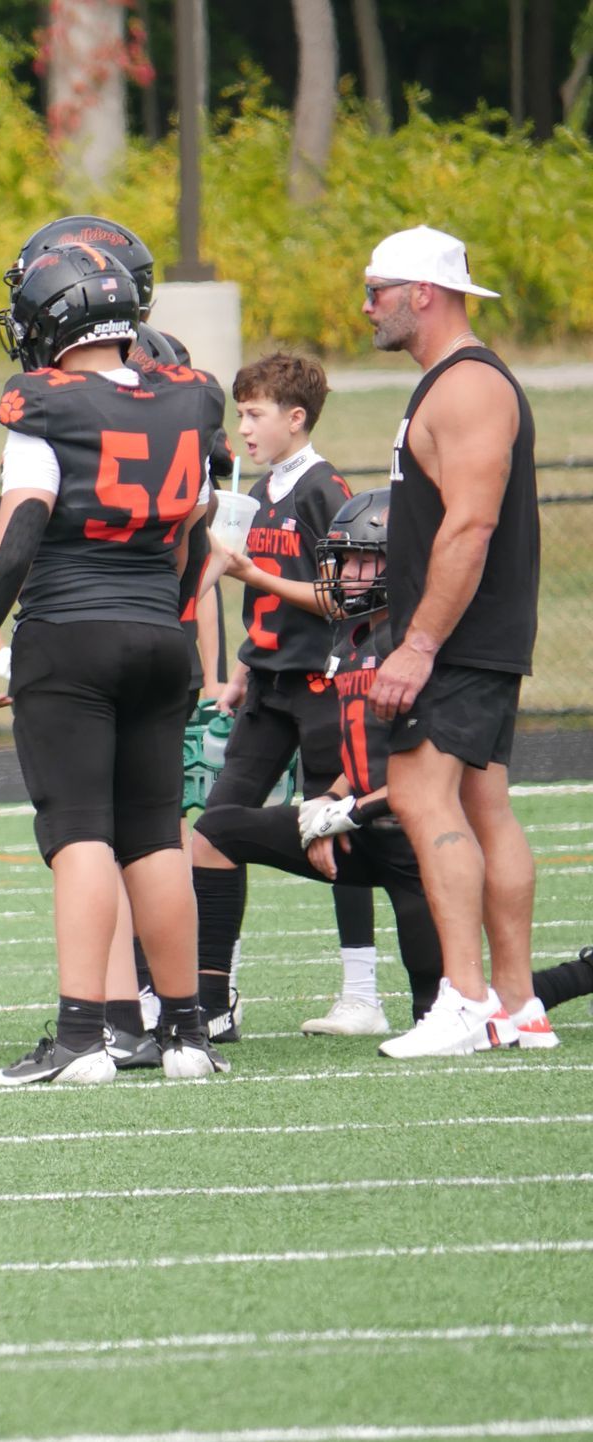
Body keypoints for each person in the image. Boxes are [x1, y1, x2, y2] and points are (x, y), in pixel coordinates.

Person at [0, 243, 228, 1085]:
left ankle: (83, 1038)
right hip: (160, 635)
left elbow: (20, 535)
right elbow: (196, 531)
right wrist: (173, 619)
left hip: (70, 633)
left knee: (79, 832)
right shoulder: (193, 396)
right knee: (155, 836)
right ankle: (185, 1034)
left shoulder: (43, 400)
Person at [360, 226, 546, 1057]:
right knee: (481, 803)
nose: (367, 306)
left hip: (460, 637)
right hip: (478, 633)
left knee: (419, 795)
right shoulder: (451, 382)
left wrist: (420, 644)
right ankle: (517, 1005)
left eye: (377, 291)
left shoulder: (467, 386)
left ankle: (464, 999)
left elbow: (471, 525)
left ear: (421, 294)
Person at [194, 490, 444, 1029]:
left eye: (364, 560)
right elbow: (361, 754)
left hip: (418, 843)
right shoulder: (351, 637)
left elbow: (432, 767)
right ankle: (208, 1008)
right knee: (216, 831)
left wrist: (351, 810)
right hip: (359, 824)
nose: (349, 574)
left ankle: (555, 981)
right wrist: (328, 801)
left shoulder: (416, 646)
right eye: (344, 560)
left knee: (446, 1007)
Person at [189, 355, 374, 1039]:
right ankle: (217, 993)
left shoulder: (325, 490)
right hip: (267, 685)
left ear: (297, 418)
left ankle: (363, 990)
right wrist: (242, 667)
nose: (243, 427)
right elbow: (265, 603)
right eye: (239, 413)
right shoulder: (260, 491)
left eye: (256, 413)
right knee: (217, 827)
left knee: (336, 832)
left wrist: (251, 572)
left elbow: (343, 596)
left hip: (322, 685)